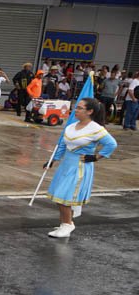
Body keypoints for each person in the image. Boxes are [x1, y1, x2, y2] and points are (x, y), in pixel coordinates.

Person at [44, 98, 117, 238]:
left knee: (63, 196)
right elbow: (63, 145)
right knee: (59, 196)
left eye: (79, 108)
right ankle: (66, 223)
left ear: (90, 111)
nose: (75, 110)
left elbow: (111, 144)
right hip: (66, 165)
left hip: (80, 167)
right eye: (76, 107)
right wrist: (52, 160)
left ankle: (67, 225)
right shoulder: (71, 126)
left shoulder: (96, 129)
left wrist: (96, 157)